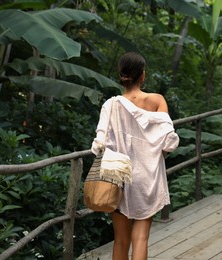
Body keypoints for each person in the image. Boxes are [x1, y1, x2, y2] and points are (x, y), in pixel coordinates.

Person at [91, 52, 179, 260]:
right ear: (143, 75)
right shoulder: (157, 101)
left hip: (117, 175)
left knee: (121, 238)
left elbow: (98, 145)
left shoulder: (110, 105)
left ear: (122, 75)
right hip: (147, 177)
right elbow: (168, 142)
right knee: (141, 238)